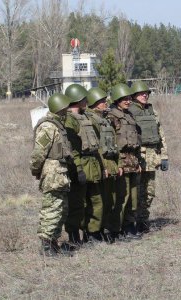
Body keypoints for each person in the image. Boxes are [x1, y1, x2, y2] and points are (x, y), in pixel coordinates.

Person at [30, 93, 73, 256]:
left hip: (60, 175)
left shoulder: (58, 125)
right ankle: (46, 247)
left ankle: (54, 243)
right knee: (51, 210)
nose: (67, 111)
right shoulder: (48, 127)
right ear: (60, 108)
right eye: (65, 108)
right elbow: (38, 153)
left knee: (61, 210)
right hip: (52, 175)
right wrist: (36, 169)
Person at [64, 84, 104, 244]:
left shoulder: (87, 117)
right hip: (79, 164)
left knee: (96, 200)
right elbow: (71, 148)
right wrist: (78, 169)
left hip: (92, 163)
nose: (87, 101)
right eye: (84, 98)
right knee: (77, 203)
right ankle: (74, 236)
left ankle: (92, 233)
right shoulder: (69, 120)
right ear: (77, 100)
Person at [128, 81, 168, 234]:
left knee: (149, 192)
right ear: (134, 95)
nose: (145, 95)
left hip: (152, 158)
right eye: (141, 93)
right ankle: (132, 223)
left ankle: (143, 221)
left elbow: (161, 135)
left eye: (147, 93)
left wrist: (164, 156)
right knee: (135, 192)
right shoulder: (129, 112)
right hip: (137, 158)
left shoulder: (152, 111)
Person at [85, 87, 123, 243]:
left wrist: (119, 164)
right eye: (101, 101)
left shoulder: (106, 119)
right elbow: (96, 148)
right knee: (98, 201)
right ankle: (93, 232)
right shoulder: (90, 120)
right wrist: (103, 167)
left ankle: (103, 229)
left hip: (112, 163)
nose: (105, 103)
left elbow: (114, 144)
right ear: (94, 103)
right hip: (102, 165)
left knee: (111, 201)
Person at [107, 83, 142, 240]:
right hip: (120, 163)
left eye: (129, 98)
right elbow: (109, 144)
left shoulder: (130, 116)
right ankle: (116, 230)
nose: (128, 101)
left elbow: (136, 141)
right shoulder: (111, 117)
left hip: (133, 163)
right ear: (117, 100)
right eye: (125, 99)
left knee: (133, 198)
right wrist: (116, 164)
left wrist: (138, 162)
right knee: (122, 197)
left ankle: (129, 226)